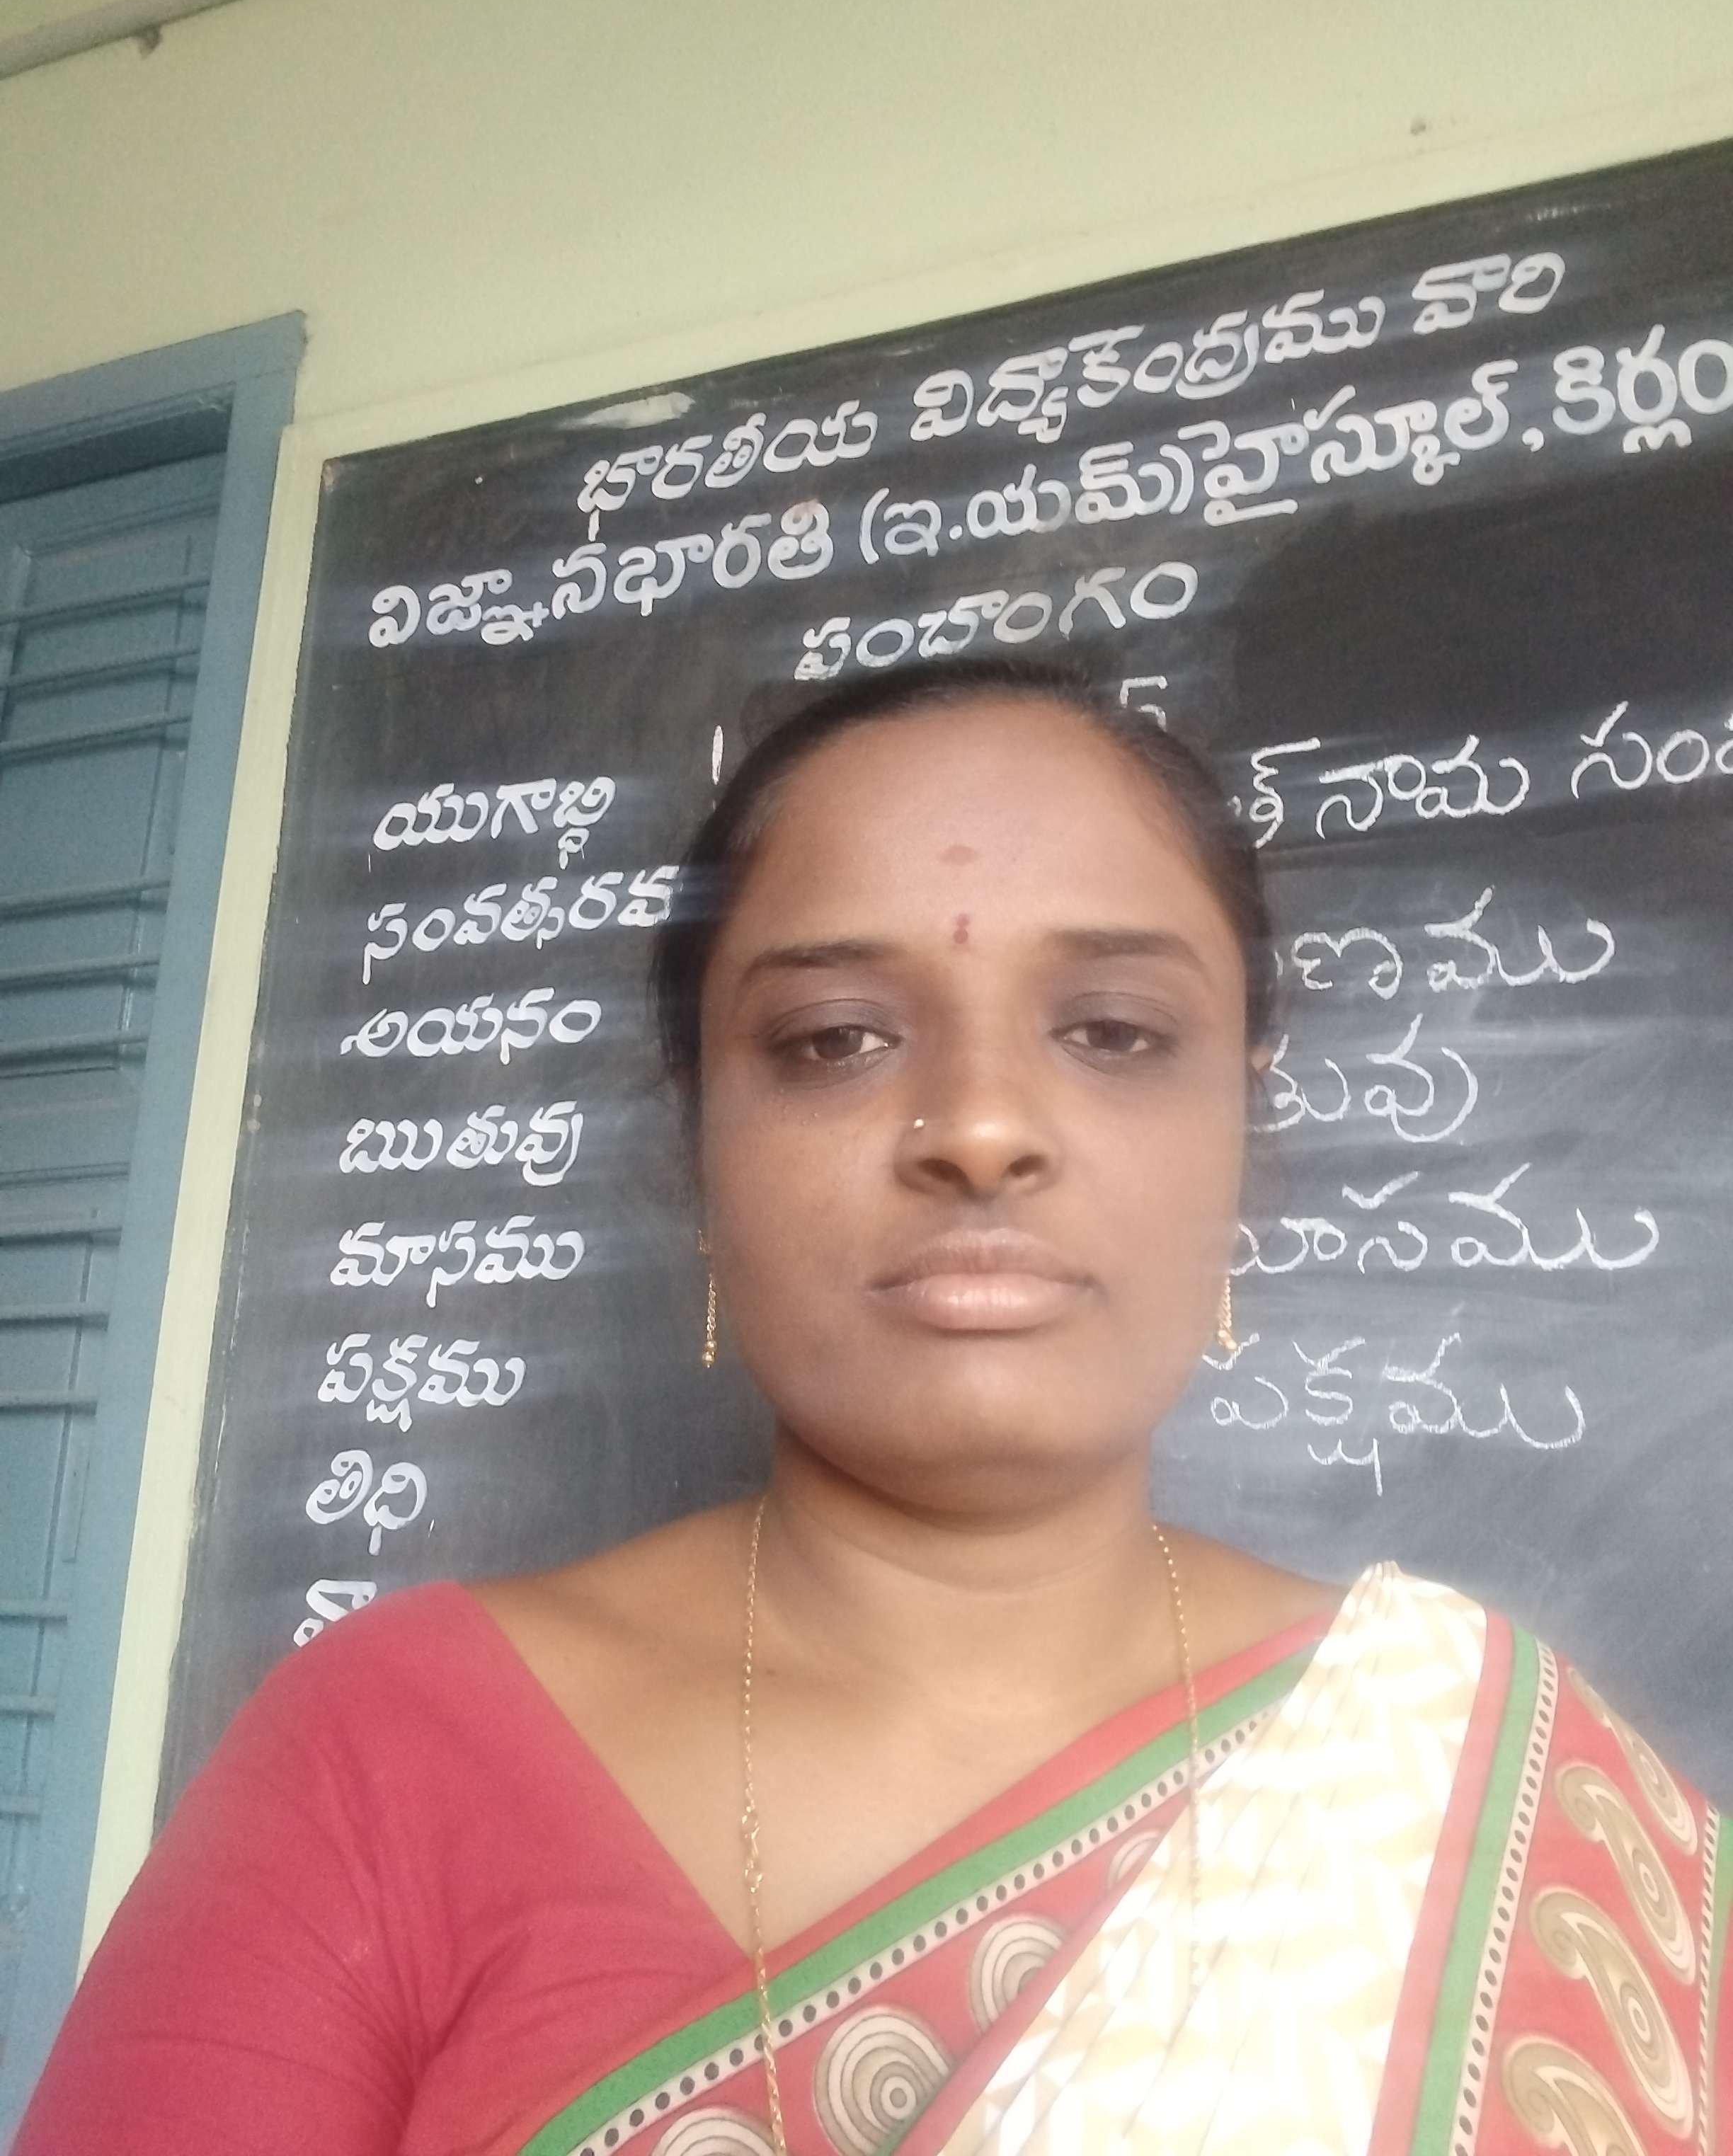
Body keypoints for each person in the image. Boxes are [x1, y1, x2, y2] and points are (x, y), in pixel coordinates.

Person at [17, 659, 1728, 2156]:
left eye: (1115, 1031)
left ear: (1245, 1136)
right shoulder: (383, 1756)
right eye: (835, 1039)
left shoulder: (1487, 1780)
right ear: (695, 1146)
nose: (979, 1128)